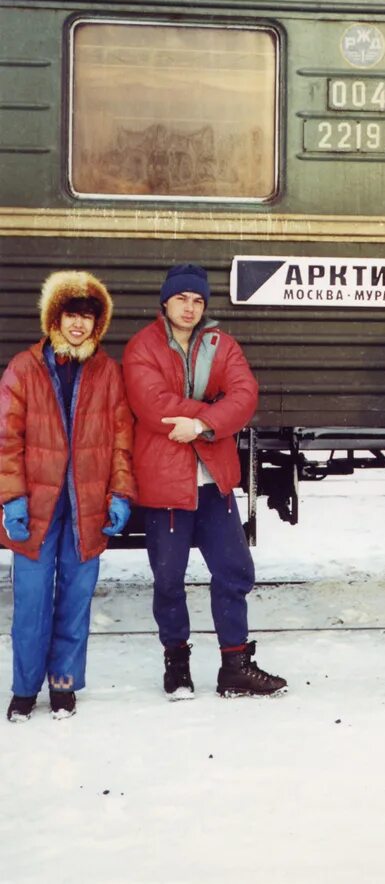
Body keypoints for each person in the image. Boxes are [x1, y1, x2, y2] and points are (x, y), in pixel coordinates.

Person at [122, 263, 286, 700]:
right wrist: (212, 408)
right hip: (164, 484)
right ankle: (177, 664)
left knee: (234, 572)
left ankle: (236, 665)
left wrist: (201, 424)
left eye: (198, 300)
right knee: (169, 580)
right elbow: (150, 404)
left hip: (214, 481)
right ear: (165, 303)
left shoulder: (221, 344)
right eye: (182, 299)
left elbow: (244, 396)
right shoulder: (142, 347)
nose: (190, 307)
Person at [1, 270, 136, 722]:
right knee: (33, 603)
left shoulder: (107, 372)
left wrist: (120, 494)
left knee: (76, 599)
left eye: (86, 318)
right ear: (53, 318)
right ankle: (24, 691)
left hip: (87, 506)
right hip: (36, 508)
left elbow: (120, 439)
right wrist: (12, 498)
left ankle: (62, 685)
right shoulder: (23, 368)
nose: (77, 325)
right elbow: (6, 439)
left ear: (97, 325)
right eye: (70, 316)